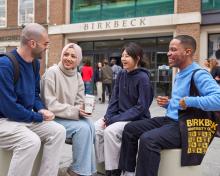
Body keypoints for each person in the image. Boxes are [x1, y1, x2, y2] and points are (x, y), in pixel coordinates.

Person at [118, 35, 220, 176]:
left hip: (186, 126)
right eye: (168, 50)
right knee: (130, 129)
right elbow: (181, 103)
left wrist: (190, 101)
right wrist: (169, 104)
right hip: (171, 121)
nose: (168, 53)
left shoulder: (199, 74)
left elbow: (218, 99)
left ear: (188, 51)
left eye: (173, 50)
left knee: (148, 139)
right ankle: (128, 172)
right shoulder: (180, 73)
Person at [0, 23, 66, 176]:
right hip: (4, 120)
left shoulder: (35, 64)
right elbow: (9, 108)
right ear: (32, 43)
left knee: (58, 131)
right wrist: (38, 116)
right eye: (45, 43)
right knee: (30, 141)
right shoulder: (5, 65)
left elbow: (35, 93)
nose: (47, 47)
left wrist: (40, 108)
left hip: (22, 117)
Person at [95, 42, 154, 176]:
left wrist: (114, 120)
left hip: (137, 119)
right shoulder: (121, 74)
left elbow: (141, 108)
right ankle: (104, 164)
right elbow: (114, 98)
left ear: (137, 58)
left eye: (127, 56)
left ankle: (114, 170)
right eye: (122, 55)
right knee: (97, 128)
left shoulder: (143, 78)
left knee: (110, 131)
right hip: (119, 116)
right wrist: (108, 117)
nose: (123, 59)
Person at [40, 43, 96, 176]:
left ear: (78, 60)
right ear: (61, 55)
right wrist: (76, 111)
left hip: (67, 117)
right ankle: (76, 171)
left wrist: (83, 108)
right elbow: (50, 104)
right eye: (65, 54)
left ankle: (87, 169)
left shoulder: (77, 77)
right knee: (82, 129)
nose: (68, 58)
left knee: (90, 125)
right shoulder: (52, 73)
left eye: (73, 56)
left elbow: (79, 101)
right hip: (50, 117)